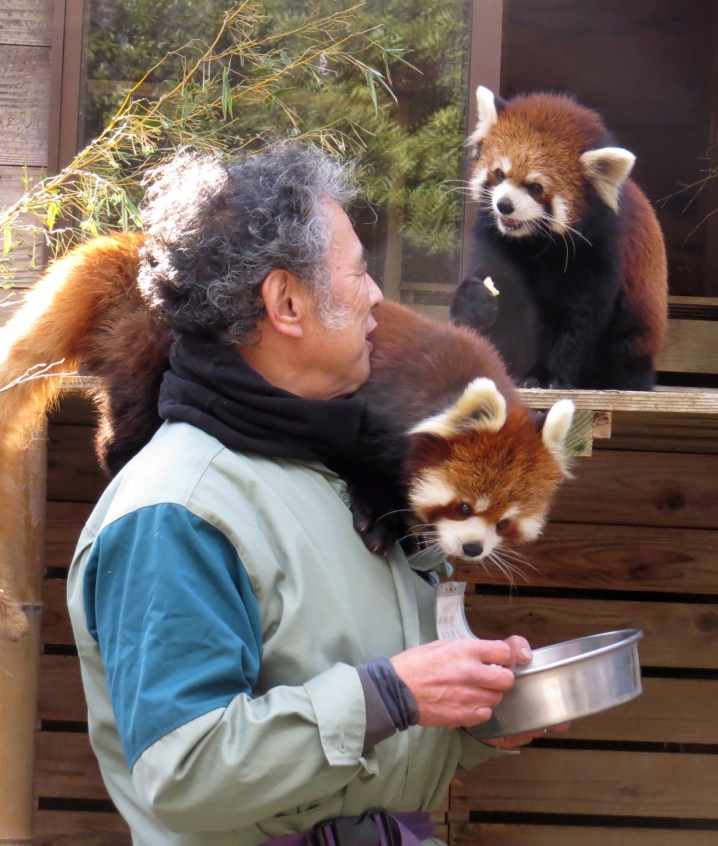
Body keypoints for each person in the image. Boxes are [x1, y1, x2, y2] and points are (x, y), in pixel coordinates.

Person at [66, 144, 545, 846]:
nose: (376, 295)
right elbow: (184, 773)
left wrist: (483, 716)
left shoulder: (342, 480)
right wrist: (392, 693)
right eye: (358, 272)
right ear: (287, 303)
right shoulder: (178, 512)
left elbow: (368, 742)